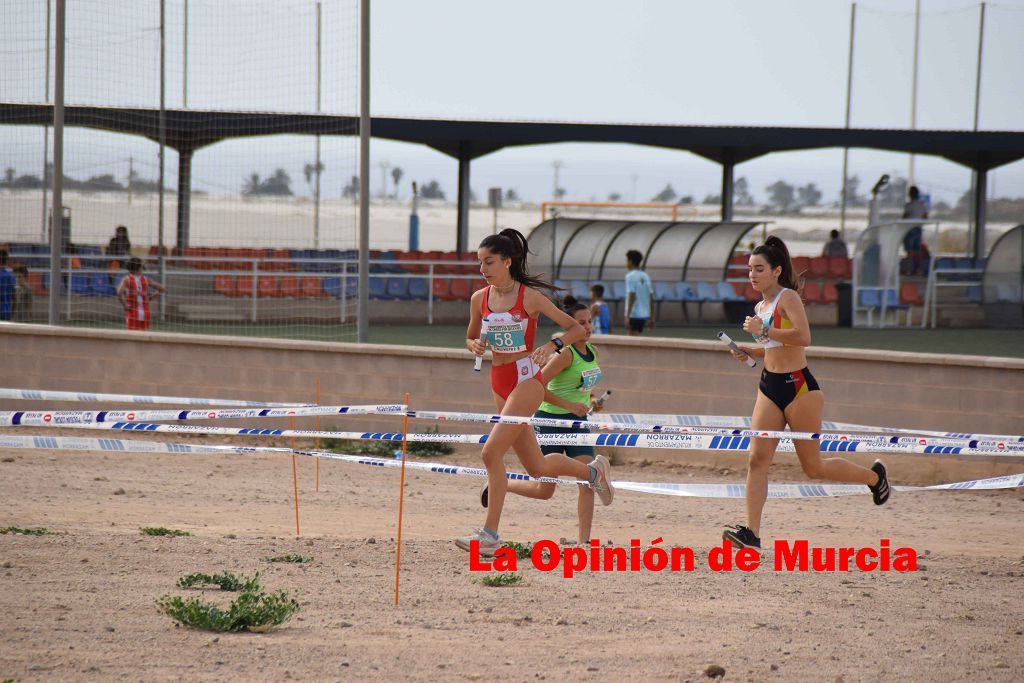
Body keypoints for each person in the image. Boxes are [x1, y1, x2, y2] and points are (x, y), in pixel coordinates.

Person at [722, 236, 890, 550]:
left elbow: (803, 337)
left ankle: (874, 477)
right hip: (769, 386)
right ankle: (751, 534)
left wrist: (764, 331)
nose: (753, 275)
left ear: (776, 271)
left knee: (813, 468)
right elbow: (773, 347)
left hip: (799, 388)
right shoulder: (761, 306)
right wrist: (750, 350)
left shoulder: (788, 299)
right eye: (749, 270)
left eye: (759, 269)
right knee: (756, 460)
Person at [459, 228, 614, 557]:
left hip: (526, 380)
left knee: (491, 453)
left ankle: (489, 534)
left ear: (507, 262)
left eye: (489, 262)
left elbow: (574, 328)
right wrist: (474, 343)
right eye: (479, 263)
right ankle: (592, 472)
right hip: (498, 378)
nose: (483, 269)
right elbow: (471, 336)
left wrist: (552, 344)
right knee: (538, 470)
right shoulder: (479, 299)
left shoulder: (528, 296)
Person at [479, 296, 605, 545]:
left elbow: (579, 386)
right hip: (551, 419)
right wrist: (569, 405)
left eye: (590, 321)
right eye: (581, 322)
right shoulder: (564, 355)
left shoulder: (593, 351)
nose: (588, 327)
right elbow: (539, 386)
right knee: (544, 490)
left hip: (577, 422)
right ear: (572, 325)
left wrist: (591, 400)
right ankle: (500, 486)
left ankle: (584, 542)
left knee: (587, 480)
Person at [117, 256, 165, 331]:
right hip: (145, 313)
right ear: (139, 267)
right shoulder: (146, 279)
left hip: (133, 313)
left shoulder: (127, 279)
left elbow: (119, 292)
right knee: (144, 337)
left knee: (131, 337)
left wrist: (125, 305)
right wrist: (151, 297)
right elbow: (162, 289)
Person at [624, 249, 653, 335]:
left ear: (630, 261)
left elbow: (631, 295)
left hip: (634, 314)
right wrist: (651, 316)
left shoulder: (630, 276)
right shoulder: (645, 276)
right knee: (636, 337)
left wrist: (627, 316)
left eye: (627, 261)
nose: (626, 264)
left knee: (632, 339)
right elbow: (651, 296)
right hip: (643, 314)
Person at [902, 186, 928, 276]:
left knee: (909, 251)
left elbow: (905, 216)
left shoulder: (909, 205)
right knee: (918, 250)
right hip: (918, 228)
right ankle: (920, 270)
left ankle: (909, 270)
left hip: (910, 228)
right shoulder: (922, 205)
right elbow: (925, 216)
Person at [0, 250, 15, 321]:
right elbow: (14, 296)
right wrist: (12, 314)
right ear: (6, 261)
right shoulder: (11, 276)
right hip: (6, 311)